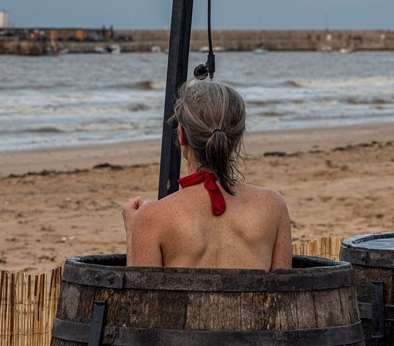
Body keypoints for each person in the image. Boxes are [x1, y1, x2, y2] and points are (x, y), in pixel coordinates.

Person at [122, 80, 292, 271]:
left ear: (182, 134)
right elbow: (284, 292)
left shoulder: (152, 217)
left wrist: (133, 231)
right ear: (237, 138)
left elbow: (140, 297)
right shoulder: (273, 206)